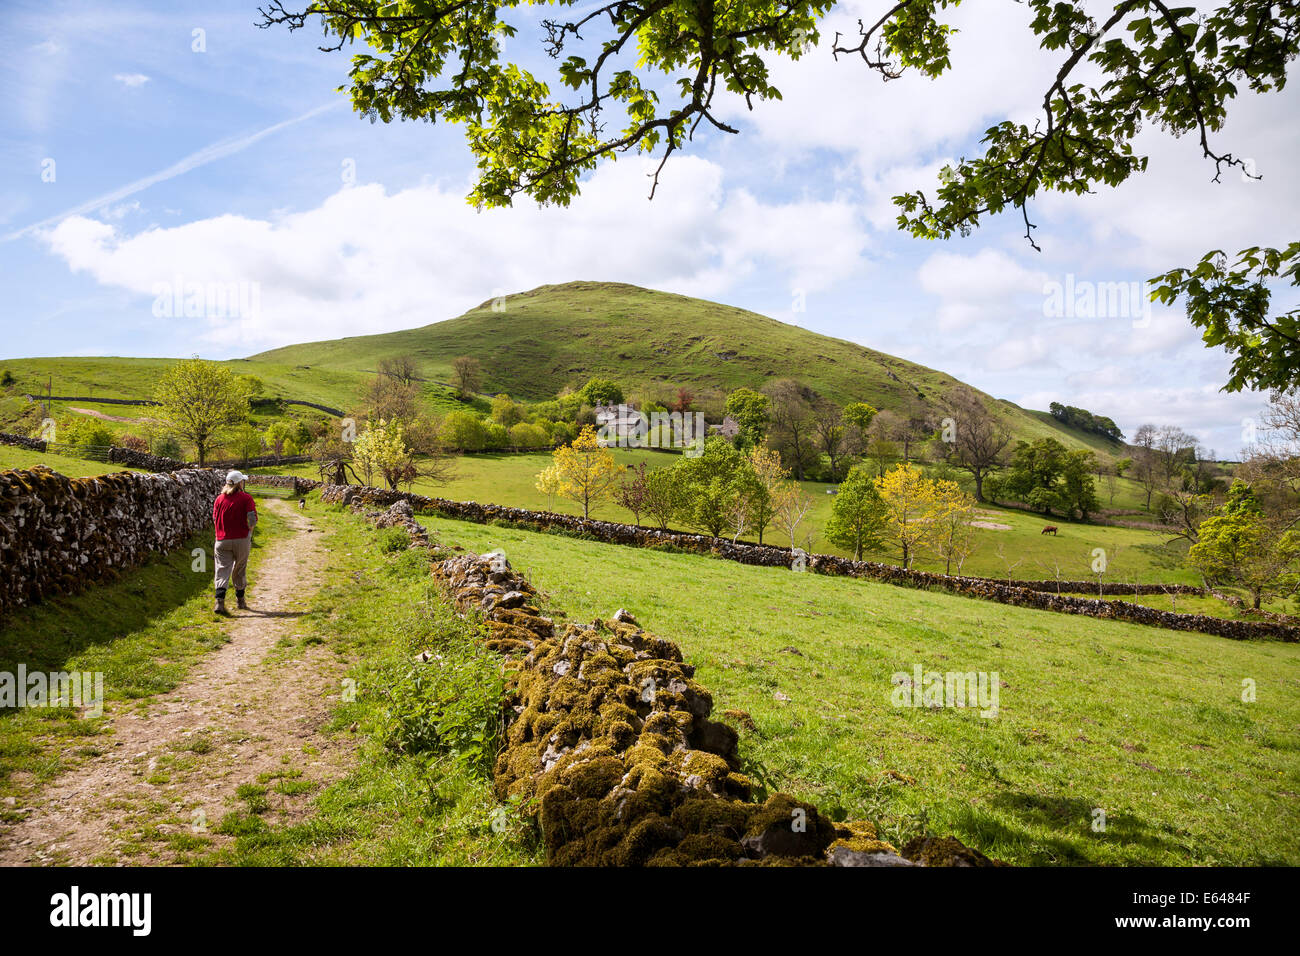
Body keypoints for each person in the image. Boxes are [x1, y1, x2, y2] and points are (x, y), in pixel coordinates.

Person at [212, 470, 258, 615]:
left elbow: (214, 518)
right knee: (239, 569)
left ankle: (219, 602)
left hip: (222, 539)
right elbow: (251, 519)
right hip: (241, 539)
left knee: (222, 570)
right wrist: (250, 531)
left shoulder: (219, 499)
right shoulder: (246, 498)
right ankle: (240, 600)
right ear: (239, 483)